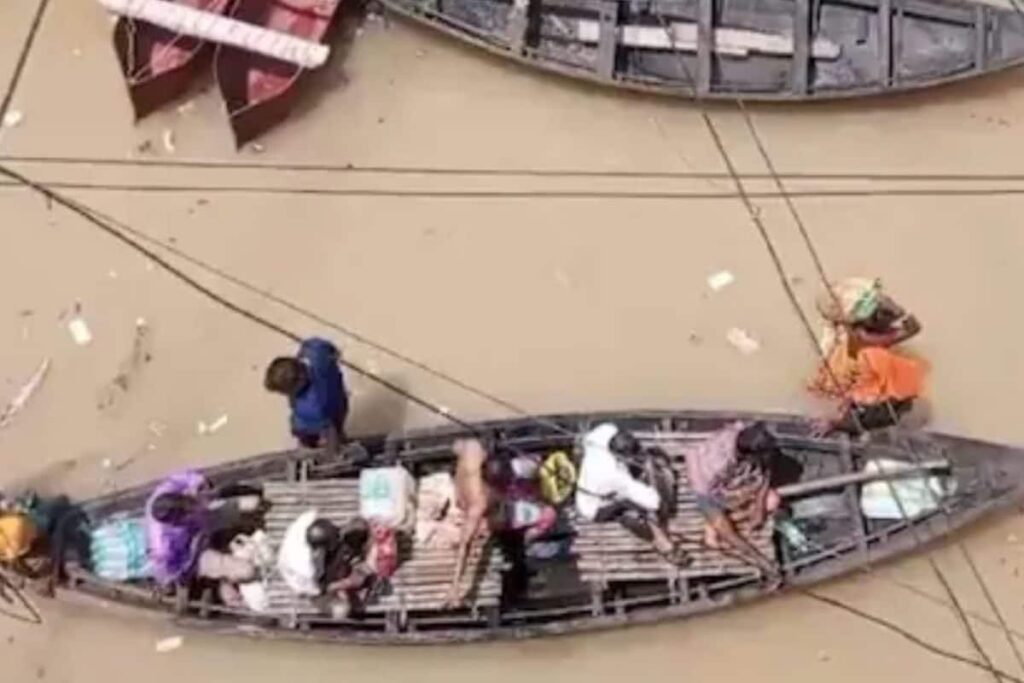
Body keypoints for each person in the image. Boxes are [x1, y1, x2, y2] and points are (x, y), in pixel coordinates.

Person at [444, 438, 556, 607]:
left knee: (532, 466)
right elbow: (464, 546)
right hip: (489, 509)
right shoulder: (479, 505)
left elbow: (457, 445)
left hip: (484, 488)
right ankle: (523, 547)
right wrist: (455, 586)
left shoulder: (473, 450)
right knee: (548, 514)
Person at [684, 421, 781, 576]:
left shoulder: (743, 431)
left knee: (772, 500)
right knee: (725, 529)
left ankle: (713, 524)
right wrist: (761, 560)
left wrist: (759, 506)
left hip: (733, 482)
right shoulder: (715, 466)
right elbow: (708, 494)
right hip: (708, 489)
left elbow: (766, 471)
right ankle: (714, 524)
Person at [145, 471, 261, 597]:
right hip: (192, 554)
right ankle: (223, 581)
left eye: (189, 505)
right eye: (187, 514)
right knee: (247, 571)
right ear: (175, 522)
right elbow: (170, 574)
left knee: (254, 503)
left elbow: (186, 477)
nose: (192, 512)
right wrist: (194, 550)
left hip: (203, 518)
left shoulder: (166, 490)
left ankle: (240, 526)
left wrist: (198, 486)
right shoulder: (163, 546)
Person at [575, 424, 680, 562]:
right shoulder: (614, 475)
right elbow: (654, 502)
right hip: (594, 506)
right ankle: (660, 542)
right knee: (634, 511)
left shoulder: (605, 431)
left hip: (597, 484)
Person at [809, 277, 922, 399]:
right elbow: (910, 328)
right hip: (849, 389)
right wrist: (900, 319)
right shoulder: (856, 338)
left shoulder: (860, 330)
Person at [277, 512, 378, 617]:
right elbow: (320, 589)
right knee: (342, 610)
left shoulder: (307, 527)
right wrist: (346, 583)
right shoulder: (306, 569)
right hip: (320, 586)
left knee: (359, 527)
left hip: (336, 560)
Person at [264, 337, 349, 454]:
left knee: (310, 432)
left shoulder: (311, 407)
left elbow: (330, 428)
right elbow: (319, 345)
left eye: (286, 391)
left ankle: (312, 445)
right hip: (338, 398)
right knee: (337, 420)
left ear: (300, 381)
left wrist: (333, 453)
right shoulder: (316, 354)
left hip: (320, 417)